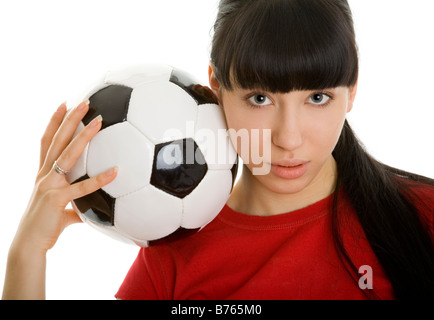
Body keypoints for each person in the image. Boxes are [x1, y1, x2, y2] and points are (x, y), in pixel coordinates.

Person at [3, 0, 434, 300]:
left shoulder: (421, 217)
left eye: (318, 98)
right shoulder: (174, 244)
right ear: (215, 87)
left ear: (352, 90)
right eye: (260, 98)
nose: (288, 138)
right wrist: (27, 251)